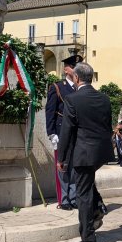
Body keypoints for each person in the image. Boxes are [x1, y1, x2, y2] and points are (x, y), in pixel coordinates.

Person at [57, 62, 115, 242]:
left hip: (83, 153)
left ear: (76, 78)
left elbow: (67, 131)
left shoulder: (73, 99)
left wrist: (61, 158)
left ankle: (88, 238)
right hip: (100, 152)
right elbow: (107, 127)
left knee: (83, 195)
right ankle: (98, 207)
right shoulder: (104, 99)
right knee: (87, 184)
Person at [45, 54, 82, 210]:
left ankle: (73, 198)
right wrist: (52, 133)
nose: (75, 70)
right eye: (73, 67)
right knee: (63, 166)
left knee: (74, 167)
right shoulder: (58, 87)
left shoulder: (79, 87)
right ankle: (64, 199)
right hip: (61, 132)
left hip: (77, 133)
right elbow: (50, 111)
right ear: (66, 69)